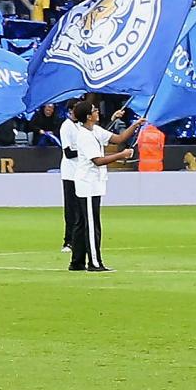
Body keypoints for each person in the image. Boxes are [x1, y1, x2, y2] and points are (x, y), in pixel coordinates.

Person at [59, 96, 132, 272]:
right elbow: (97, 160)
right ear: (88, 116)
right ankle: (94, 262)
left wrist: (135, 126)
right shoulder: (84, 135)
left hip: (92, 182)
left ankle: (76, 261)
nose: (97, 112)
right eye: (94, 110)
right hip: (88, 182)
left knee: (82, 223)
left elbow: (119, 138)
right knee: (92, 224)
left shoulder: (95, 131)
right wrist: (121, 155)